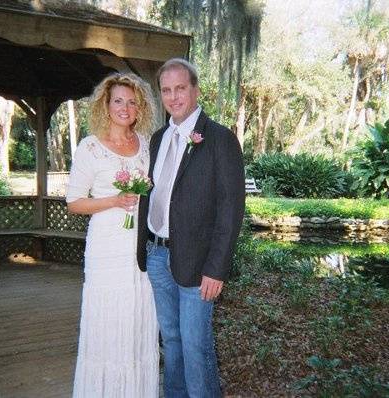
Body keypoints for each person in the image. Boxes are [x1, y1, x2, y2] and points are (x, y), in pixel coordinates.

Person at [136, 58, 245, 397]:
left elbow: (231, 209)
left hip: (198, 265)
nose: (173, 96)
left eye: (180, 88)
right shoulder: (158, 139)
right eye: (166, 90)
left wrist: (217, 268)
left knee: (196, 347)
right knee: (172, 340)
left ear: (196, 90)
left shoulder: (219, 139)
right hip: (156, 254)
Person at [66, 73, 159, 398]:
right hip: (106, 250)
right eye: (118, 100)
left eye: (132, 102)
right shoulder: (90, 148)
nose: (125, 107)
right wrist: (115, 201)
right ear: (106, 104)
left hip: (140, 252)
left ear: (140, 107)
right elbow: (74, 202)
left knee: (137, 322)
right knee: (109, 326)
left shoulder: (147, 146)